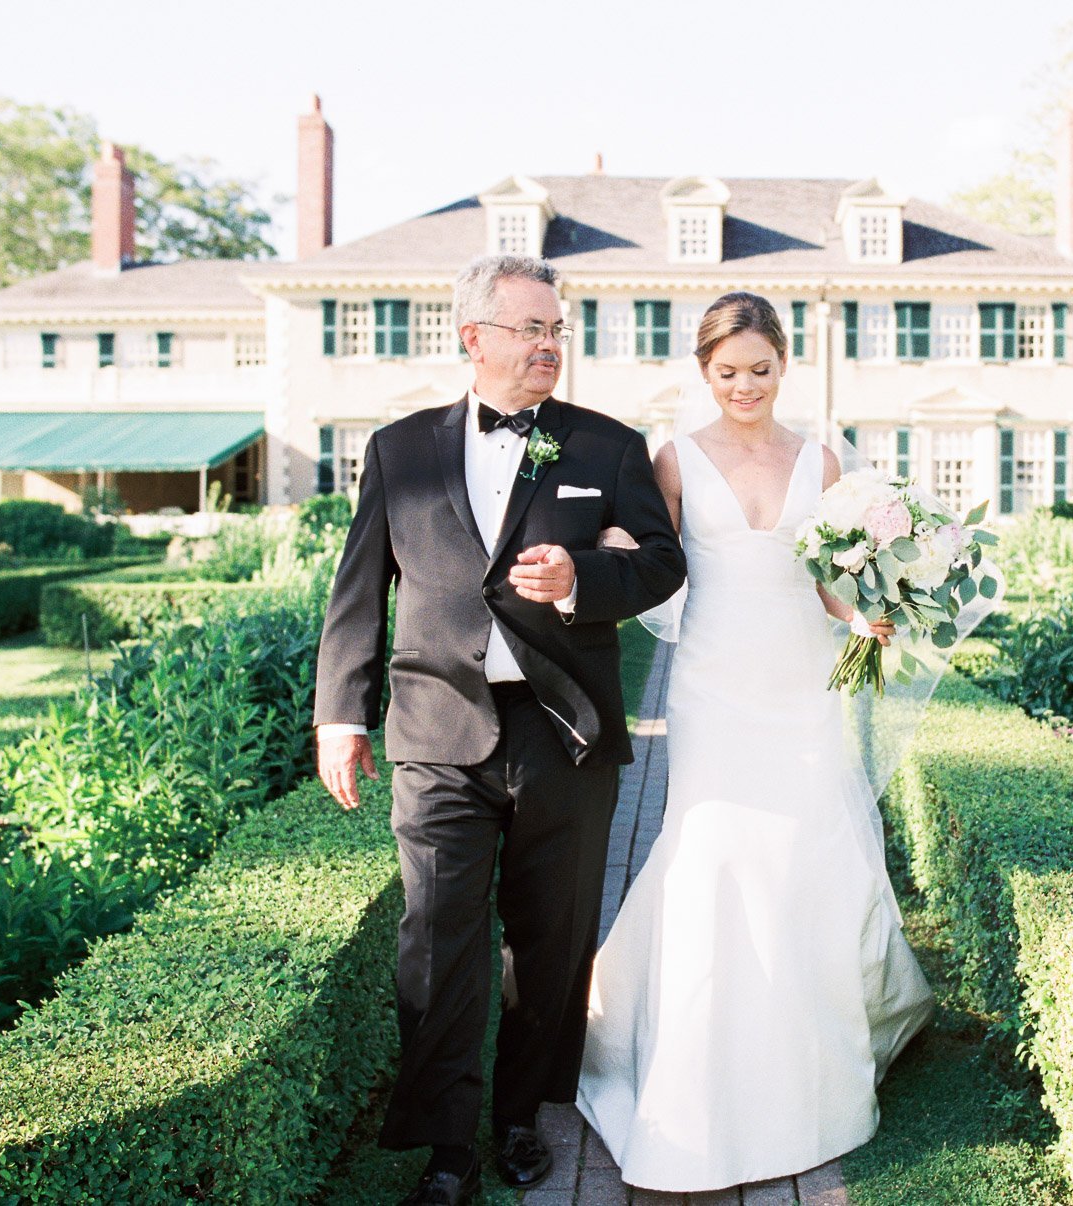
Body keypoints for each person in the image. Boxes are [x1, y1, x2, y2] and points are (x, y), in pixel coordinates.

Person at [312, 254, 685, 1205]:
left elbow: (662, 563)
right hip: (436, 731)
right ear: (473, 337)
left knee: (551, 939)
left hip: (562, 729)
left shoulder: (606, 445)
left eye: (558, 330)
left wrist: (580, 583)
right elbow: (360, 589)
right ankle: (447, 1145)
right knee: (435, 937)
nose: (550, 346)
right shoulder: (400, 450)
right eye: (530, 329)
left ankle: (520, 1117)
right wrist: (338, 715)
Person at [575, 293, 936, 1192]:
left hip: (800, 682)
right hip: (713, 683)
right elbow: (654, 561)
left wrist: (869, 616)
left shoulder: (822, 459)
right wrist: (610, 543)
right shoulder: (672, 459)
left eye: (761, 370)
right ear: (705, 372)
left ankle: (806, 1070)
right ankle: (692, 1072)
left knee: (803, 858)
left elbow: (830, 582)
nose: (745, 386)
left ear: (786, 364)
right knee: (713, 852)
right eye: (727, 372)